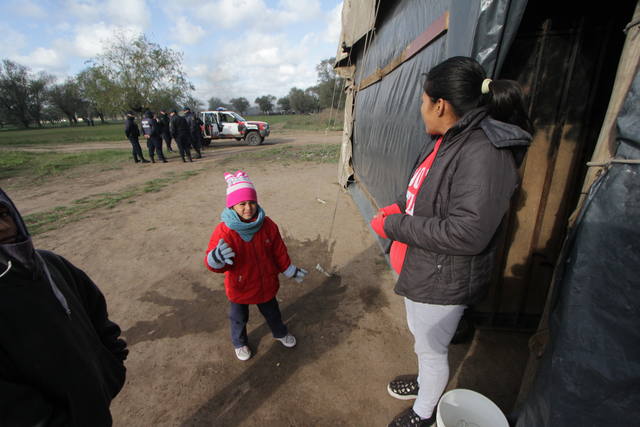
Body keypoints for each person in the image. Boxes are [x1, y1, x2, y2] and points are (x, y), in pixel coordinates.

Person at [369, 56, 533, 426]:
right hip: (423, 269)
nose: (421, 109)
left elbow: (467, 232)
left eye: (423, 101)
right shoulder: (446, 140)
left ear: (440, 104)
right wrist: (397, 206)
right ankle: (427, 380)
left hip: (443, 279)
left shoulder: (484, 152)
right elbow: (424, 192)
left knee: (432, 349)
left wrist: (394, 226)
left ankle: (423, 414)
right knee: (423, 342)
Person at [0, 188, 128, 426]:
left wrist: (112, 363)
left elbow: (95, 310)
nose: (4, 227)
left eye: (4, 214)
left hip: (94, 409)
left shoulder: (50, 264)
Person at [204, 170, 308, 361]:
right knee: (238, 318)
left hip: (265, 282)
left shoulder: (267, 225)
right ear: (232, 205)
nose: (248, 208)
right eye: (242, 204)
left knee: (273, 312)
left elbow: (278, 250)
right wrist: (215, 259)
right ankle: (239, 342)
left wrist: (288, 269)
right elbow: (215, 263)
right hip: (239, 285)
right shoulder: (224, 230)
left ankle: (280, 332)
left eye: (251, 202)